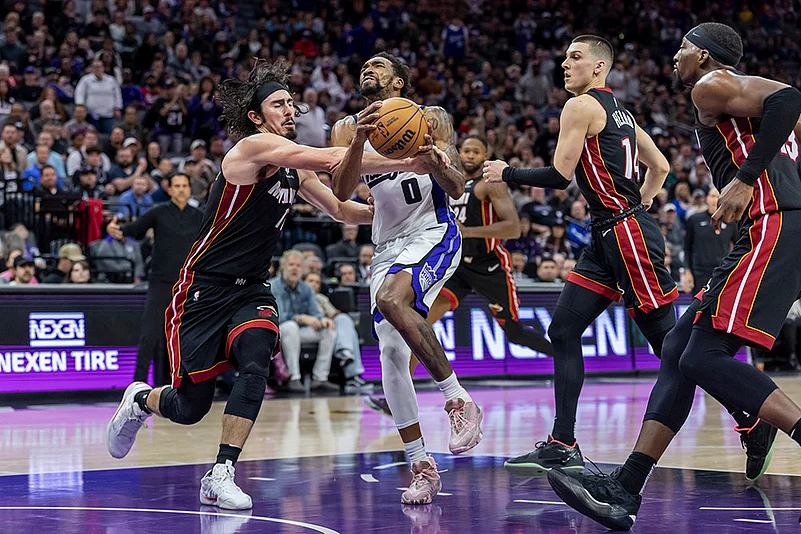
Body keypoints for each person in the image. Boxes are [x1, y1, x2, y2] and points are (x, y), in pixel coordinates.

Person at [106, 58, 433, 511]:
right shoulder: (252, 149)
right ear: (257, 117)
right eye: (280, 104)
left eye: (293, 104)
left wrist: (401, 216)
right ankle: (141, 400)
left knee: (256, 358)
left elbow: (341, 209)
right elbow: (331, 156)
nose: (291, 111)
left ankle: (221, 473)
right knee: (189, 406)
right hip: (203, 286)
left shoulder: (293, 170)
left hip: (252, 288)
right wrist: (411, 157)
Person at [546, 23, 801, 530]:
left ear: (704, 56)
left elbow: (791, 97)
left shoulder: (712, 84)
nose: (676, 57)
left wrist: (746, 181)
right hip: (771, 227)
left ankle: (767, 428)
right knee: (678, 349)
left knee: (702, 355)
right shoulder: (732, 98)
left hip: (776, 224)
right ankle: (626, 488)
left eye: (684, 48)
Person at [484, 34, 752, 475]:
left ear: (599, 68)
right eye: (565, 57)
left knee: (673, 349)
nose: (565, 64)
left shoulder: (581, 106)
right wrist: (641, 203)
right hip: (608, 234)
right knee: (564, 330)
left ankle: (746, 414)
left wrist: (505, 171)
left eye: (575, 57)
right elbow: (661, 167)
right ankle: (561, 442)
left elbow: (557, 175)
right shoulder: (622, 114)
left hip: (625, 235)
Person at [331, 52, 482, 506]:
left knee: (394, 301)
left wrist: (437, 161)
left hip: (433, 232)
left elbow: (457, 187)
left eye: (378, 66)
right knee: (392, 358)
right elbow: (340, 191)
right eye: (365, 65)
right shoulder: (344, 128)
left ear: (398, 82)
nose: (367, 70)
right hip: (386, 247)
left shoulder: (428, 119)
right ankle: (421, 466)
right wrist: (359, 139)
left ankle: (458, 401)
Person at [365, 135, 554, 417]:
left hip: (490, 266)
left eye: (476, 151)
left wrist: (470, 232)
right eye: (465, 150)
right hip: (457, 265)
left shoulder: (489, 185)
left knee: (514, 333)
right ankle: (400, 394)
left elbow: (513, 228)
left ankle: (562, 357)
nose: (469, 155)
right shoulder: (445, 180)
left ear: (486, 155)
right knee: (417, 323)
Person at [107, 173, 204, 385]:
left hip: (188, 284)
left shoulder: (199, 216)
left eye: (184, 186)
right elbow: (136, 229)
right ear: (169, 190)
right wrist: (118, 230)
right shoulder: (158, 213)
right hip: (160, 282)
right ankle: (137, 385)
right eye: (176, 186)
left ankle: (187, 384)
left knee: (188, 334)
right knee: (149, 335)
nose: (180, 189)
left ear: (189, 189)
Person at [270, 249, 337, 393]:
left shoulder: (306, 288)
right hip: (278, 332)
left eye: (298, 266)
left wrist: (323, 319)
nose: (295, 268)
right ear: (283, 268)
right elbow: (278, 316)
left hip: (299, 331)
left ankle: (320, 378)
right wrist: (301, 318)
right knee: (290, 326)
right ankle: (294, 377)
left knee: (328, 330)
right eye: (291, 265)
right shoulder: (273, 286)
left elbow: (314, 313)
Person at [303, 270, 370, 394]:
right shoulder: (300, 296)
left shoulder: (321, 298)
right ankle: (350, 371)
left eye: (317, 282)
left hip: (326, 326)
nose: (314, 284)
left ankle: (345, 353)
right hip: (307, 328)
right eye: (310, 281)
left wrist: (332, 319)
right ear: (303, 282)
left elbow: (334, 313)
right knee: (345, 332)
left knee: (344, 319)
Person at [682, 187, 737, 294]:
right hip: (699, 273)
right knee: (698, 307)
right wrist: (687, 271)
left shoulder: (731, 222)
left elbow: (738, 246)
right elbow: (686, 247)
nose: (715, 200)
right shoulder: (694, 220)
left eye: (718, 197)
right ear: (707, 199)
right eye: (712, 196)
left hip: (722, 274)